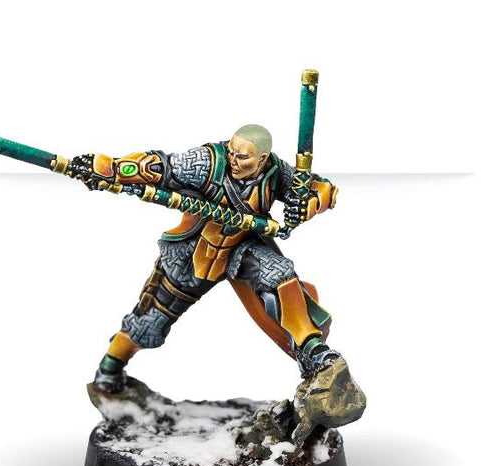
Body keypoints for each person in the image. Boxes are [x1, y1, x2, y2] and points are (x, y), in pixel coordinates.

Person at [69, 124, 339, 393]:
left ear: (262, 159)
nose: (233, 160)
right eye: (231, 152)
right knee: (152, 318)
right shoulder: (207, 162)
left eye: (243, 157)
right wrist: (109, 168)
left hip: (242, 249)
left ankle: (312, 348)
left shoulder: (275, 171)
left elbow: (321, 189)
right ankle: (111, 365)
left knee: (278, 273)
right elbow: (160, 167)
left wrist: (307, 205)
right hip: (193, 255)